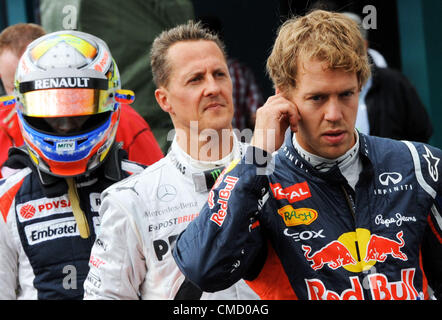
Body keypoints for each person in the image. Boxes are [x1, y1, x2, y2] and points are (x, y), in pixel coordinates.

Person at [173, 10, 442, 300]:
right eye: (317, 98)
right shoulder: (259, 179)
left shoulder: (418, 165)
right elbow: (204, 269)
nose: (334, 114)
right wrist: (258, 156)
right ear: (282, 98)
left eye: (346, 95)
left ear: (360, 87)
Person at [83, 21, 259, 300]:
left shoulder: (275, 170)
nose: (213, 87)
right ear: (164, 100)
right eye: (196, 79)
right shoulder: (131, 200)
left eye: (219, 74)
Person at [0, 30, 147, 299]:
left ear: (112, 101)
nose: (66, 124)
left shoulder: (145, 185)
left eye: (79, 107)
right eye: (50, 109)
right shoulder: (5, 199)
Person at [0, 24, 163, 178]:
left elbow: (155, 183)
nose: (65, 125)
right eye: (10, 86)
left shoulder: (126, 121)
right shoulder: (3, 126)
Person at [342, 12, 433, 142]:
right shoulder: (322, 86)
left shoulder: (395, 83)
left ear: (364, 45)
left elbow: (421, 131)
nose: (343, 54)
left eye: (348, 45)